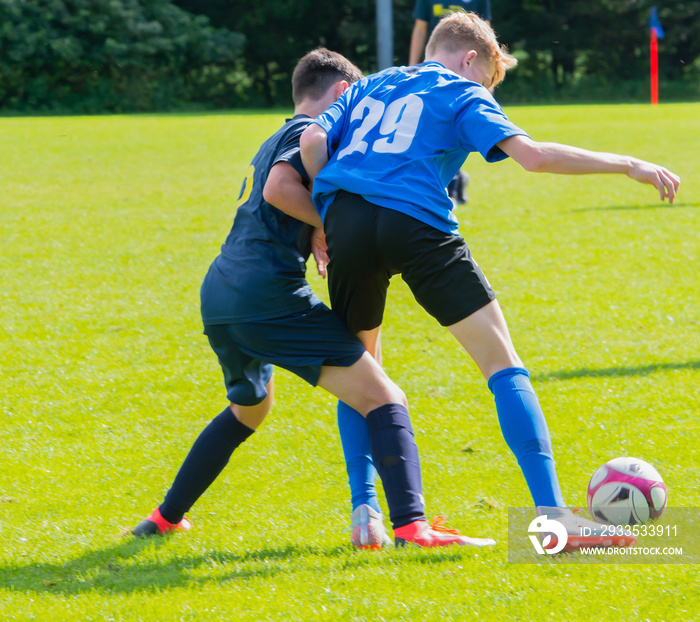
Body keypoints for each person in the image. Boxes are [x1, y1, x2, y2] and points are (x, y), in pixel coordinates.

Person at [300, 12, 680, 551]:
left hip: (347, 219)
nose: (487, 92)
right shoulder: (460, 90)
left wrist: (329, 211)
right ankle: (553, 520)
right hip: (415, 221)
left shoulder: (372, 84)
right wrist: (627, 163)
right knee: (503, 363)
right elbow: (535, 157)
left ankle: (367, 516)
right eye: (488, 81)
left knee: (361, 370)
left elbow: (313, 142)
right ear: (469, 58)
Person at [131, 48, 497, 550]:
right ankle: (413, 528)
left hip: (221, 295)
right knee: (385, 397)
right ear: (343, 94)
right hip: (268, 296)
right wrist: (328, 224)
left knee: (249, 411)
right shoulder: (297, 134)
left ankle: (164, 517)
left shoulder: (270, 138)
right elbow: (281, 189)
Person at [410, 1, 493, 205]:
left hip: (465, 71)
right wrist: (411, 69)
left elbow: (486, 33)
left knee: (456, 127)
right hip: (434, 73)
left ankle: (451, 182)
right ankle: (451, 182)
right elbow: (420, 29)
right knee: (426, 128)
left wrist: (488, 77)